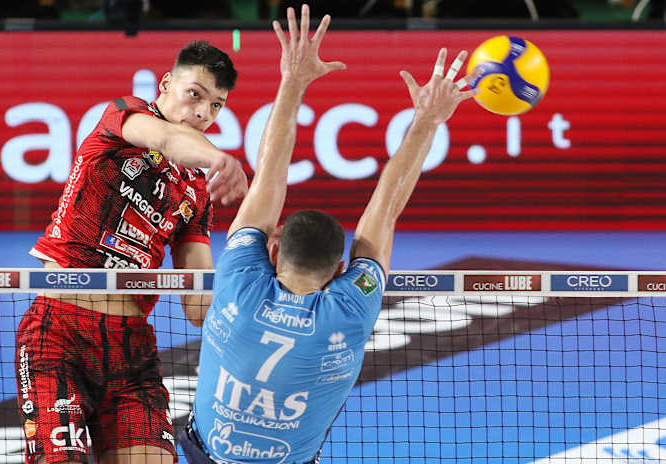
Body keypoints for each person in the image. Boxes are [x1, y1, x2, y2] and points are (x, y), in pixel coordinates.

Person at [179, 4, 480, 463]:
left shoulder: (238, 280)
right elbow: (385, 209)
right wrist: (427, 121)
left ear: (273, 251)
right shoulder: (348, 311)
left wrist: (292, 81)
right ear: (341, 269)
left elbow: (269, 179)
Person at [15, 41, 248, 464]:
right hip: (60, 333)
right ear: (166, 84)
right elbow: (167, 138)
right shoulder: (124, 117)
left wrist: (257, 271)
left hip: (131, 347)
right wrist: (221, 159)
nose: (203, 113)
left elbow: (199, 305)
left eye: (216, 105)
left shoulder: (196, 190)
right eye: (195, 94)